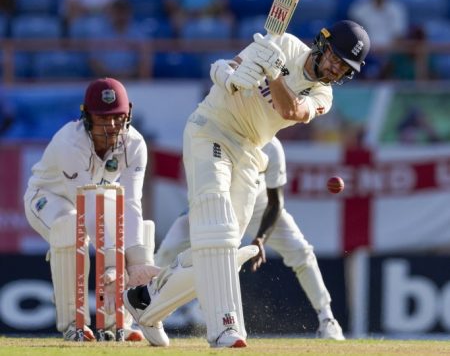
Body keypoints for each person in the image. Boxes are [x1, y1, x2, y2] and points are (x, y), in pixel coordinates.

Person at [123, 19, 369, 348]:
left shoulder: (323, 95)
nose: (336, 69)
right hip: (211, 128)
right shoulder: (283, 44)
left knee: (222, 251)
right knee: (218, 230)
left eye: (344, 67)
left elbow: (290, 109)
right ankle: (225, 328)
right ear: (321, 44)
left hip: (249, 150)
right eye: (335, 58)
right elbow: (222, 68)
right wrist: (231, 77)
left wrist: (273, 73)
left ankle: (146, 302)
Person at [23, 77, 168, 346]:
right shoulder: (70, 142)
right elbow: (88, 215)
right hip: (48, 198)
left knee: (140, 232)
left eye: (118, 117)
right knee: (70, 229)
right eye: (102, 118)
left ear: (129, 114)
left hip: (98, 200)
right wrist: (114, 265)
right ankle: (72, 325)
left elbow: (130, 203)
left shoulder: (135, 144)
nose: (111, 126)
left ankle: (121, 323)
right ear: (86, 116)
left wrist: (137, 261)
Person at [154, 136, 345, 340]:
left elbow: (275, 202)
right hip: (216, 204)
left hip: (258, 205)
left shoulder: (272, 147)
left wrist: (261, 238)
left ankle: (327, 319)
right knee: (168, 249)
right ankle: (143, 309)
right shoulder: (216, 132)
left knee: (301, 250)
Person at [348, 0, 408, 79]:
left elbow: (399, 37)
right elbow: (354, 37)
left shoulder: (397, 9)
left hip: (390, 54)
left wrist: (385, 53)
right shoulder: (358, 9)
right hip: (365, 53)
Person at [88, 0, 146, 79]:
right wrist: (110, 77)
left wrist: (131, 76)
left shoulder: (138, 35)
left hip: (133, 82)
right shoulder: (100, 34)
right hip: (106, 82)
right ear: (112, 13)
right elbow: (94, 61)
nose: (121, 16)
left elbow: (145, 60)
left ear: (129, 13)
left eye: (123, 12)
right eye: (118, 12)